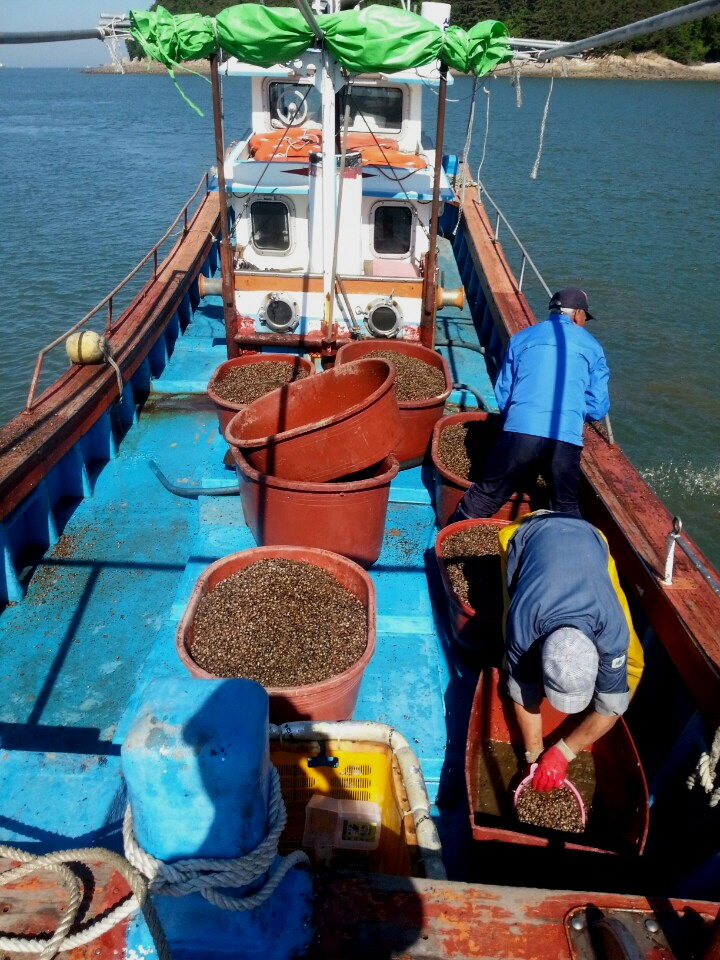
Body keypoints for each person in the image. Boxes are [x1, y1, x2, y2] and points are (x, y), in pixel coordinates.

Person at [496, 511, 644, 792]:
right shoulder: (524, 624)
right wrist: (534, 755)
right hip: (526, 532)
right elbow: (523, 691)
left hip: (590, 535)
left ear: (599, 655)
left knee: (635, 660)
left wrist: (564, 751)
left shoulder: (612, 631)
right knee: (511, 662)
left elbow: (611, 705)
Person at [452, 287, 610, 522]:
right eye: (585, 318)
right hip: (564, 438)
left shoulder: (522, 338)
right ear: (577, 315)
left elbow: (504, 393)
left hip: (520, 430)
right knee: (565, 506)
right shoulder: (593, 347)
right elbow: (597, 407)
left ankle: (448, 542)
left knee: (486, 495)